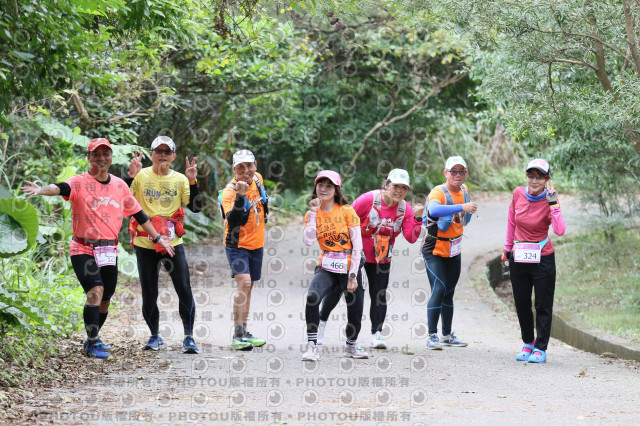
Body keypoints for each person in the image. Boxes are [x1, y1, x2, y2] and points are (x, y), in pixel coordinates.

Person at [21, 138, 174, 360]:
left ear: (111, 157)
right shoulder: (79, 182)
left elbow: (139, 215)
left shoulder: (120, 185)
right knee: (96, 290)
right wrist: (40, 190)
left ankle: (93, 337)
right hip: (83, 248)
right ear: (89, 157)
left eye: (106, 154)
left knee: (105, 299)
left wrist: (159, 238)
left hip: (108, 250)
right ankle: (92, 343)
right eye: (96, 154)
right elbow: (59, 187)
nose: (101, 158)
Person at [316, 169, 424, 349]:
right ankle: (321, 323)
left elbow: (411, 237)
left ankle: (376, 335)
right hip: (355, 253)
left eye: (404, 188)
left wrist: (418, 218)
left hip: (382, 256)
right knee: (339, 288)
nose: (399, 191)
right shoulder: (369, 199)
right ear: (386, 185)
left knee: (379, 293)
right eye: (395, 186)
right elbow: (346, 218)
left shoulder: (405, 209)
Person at [126, 136, 202, 354]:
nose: (162, 155)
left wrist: (193, 181)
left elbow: (196, 207)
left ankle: (189, 337)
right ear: (151, 154)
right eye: (158, 151)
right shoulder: (141, 176)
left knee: (184, 288)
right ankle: (154, 336)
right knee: (149, 292)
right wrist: (130, 176)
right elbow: (124, 199)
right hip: (145, 243)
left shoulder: (180, 179)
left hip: (173, 243)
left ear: (173, 156)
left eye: (167, 151)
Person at [502, 158, 566, 363]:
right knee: (521, 302)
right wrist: (507, 249)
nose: (534, 180)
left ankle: (541, 348)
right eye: (531, 176)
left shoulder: (550, 199)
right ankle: (528, 342)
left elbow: (560, 230)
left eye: (540, 177)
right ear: (526, 177)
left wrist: (554, 204)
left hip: (543, 257)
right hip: (519, 255)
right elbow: (511, 222)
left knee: (543, 304)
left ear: (547, 179)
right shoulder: (518, 193)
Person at [302, 170, 368, 361]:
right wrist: (313, 214)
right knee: (312, 297)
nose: (323, 189)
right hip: (327, 267)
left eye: (329, 186)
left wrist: (353, 275)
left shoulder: (346, 211)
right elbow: (308, 241)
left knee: (355, 311)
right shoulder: (312, 213)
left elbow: (358, 246)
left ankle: (351, 345)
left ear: (336, 190)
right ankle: (312, 346)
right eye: (320, 185)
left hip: (349, 267)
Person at [422, 156, 477, 350]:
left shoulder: (464, 190)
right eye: (453, 171)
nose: (457, 175)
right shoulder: (438, 192)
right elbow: (433, 210)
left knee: (449, 292)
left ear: (466, 174)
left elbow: (465, 217)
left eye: (461, 171)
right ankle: (432, 335)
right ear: (446, 173)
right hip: (434, 250)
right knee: (439, 288)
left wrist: (466, 210)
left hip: (454, 250)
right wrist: (462, 207)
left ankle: (446, 335)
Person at [220, 149, 269, 351]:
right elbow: (233, 220)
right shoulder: (229, 192)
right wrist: (240, 196)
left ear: (255, 165)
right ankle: (238, 335)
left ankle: (245, 331)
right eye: (241, 167)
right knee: (245, 283)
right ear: (234, 169)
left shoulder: (258, 179)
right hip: (236, 244)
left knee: (249, 287)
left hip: (257, 243)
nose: (246, 170)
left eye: (249, 165)